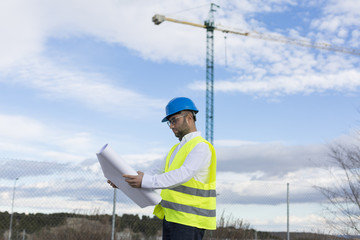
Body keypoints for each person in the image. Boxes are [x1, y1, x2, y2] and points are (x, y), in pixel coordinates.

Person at [108, 97, 216, 240]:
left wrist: (144, 180)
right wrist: (123, 180)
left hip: (190, 222)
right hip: (172, 218)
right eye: (169, 122)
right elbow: (151, 174)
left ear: (189, 118)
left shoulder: (201, 147)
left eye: (174, 120)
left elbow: (183, 174)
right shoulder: (175, 150)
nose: (171, 126)